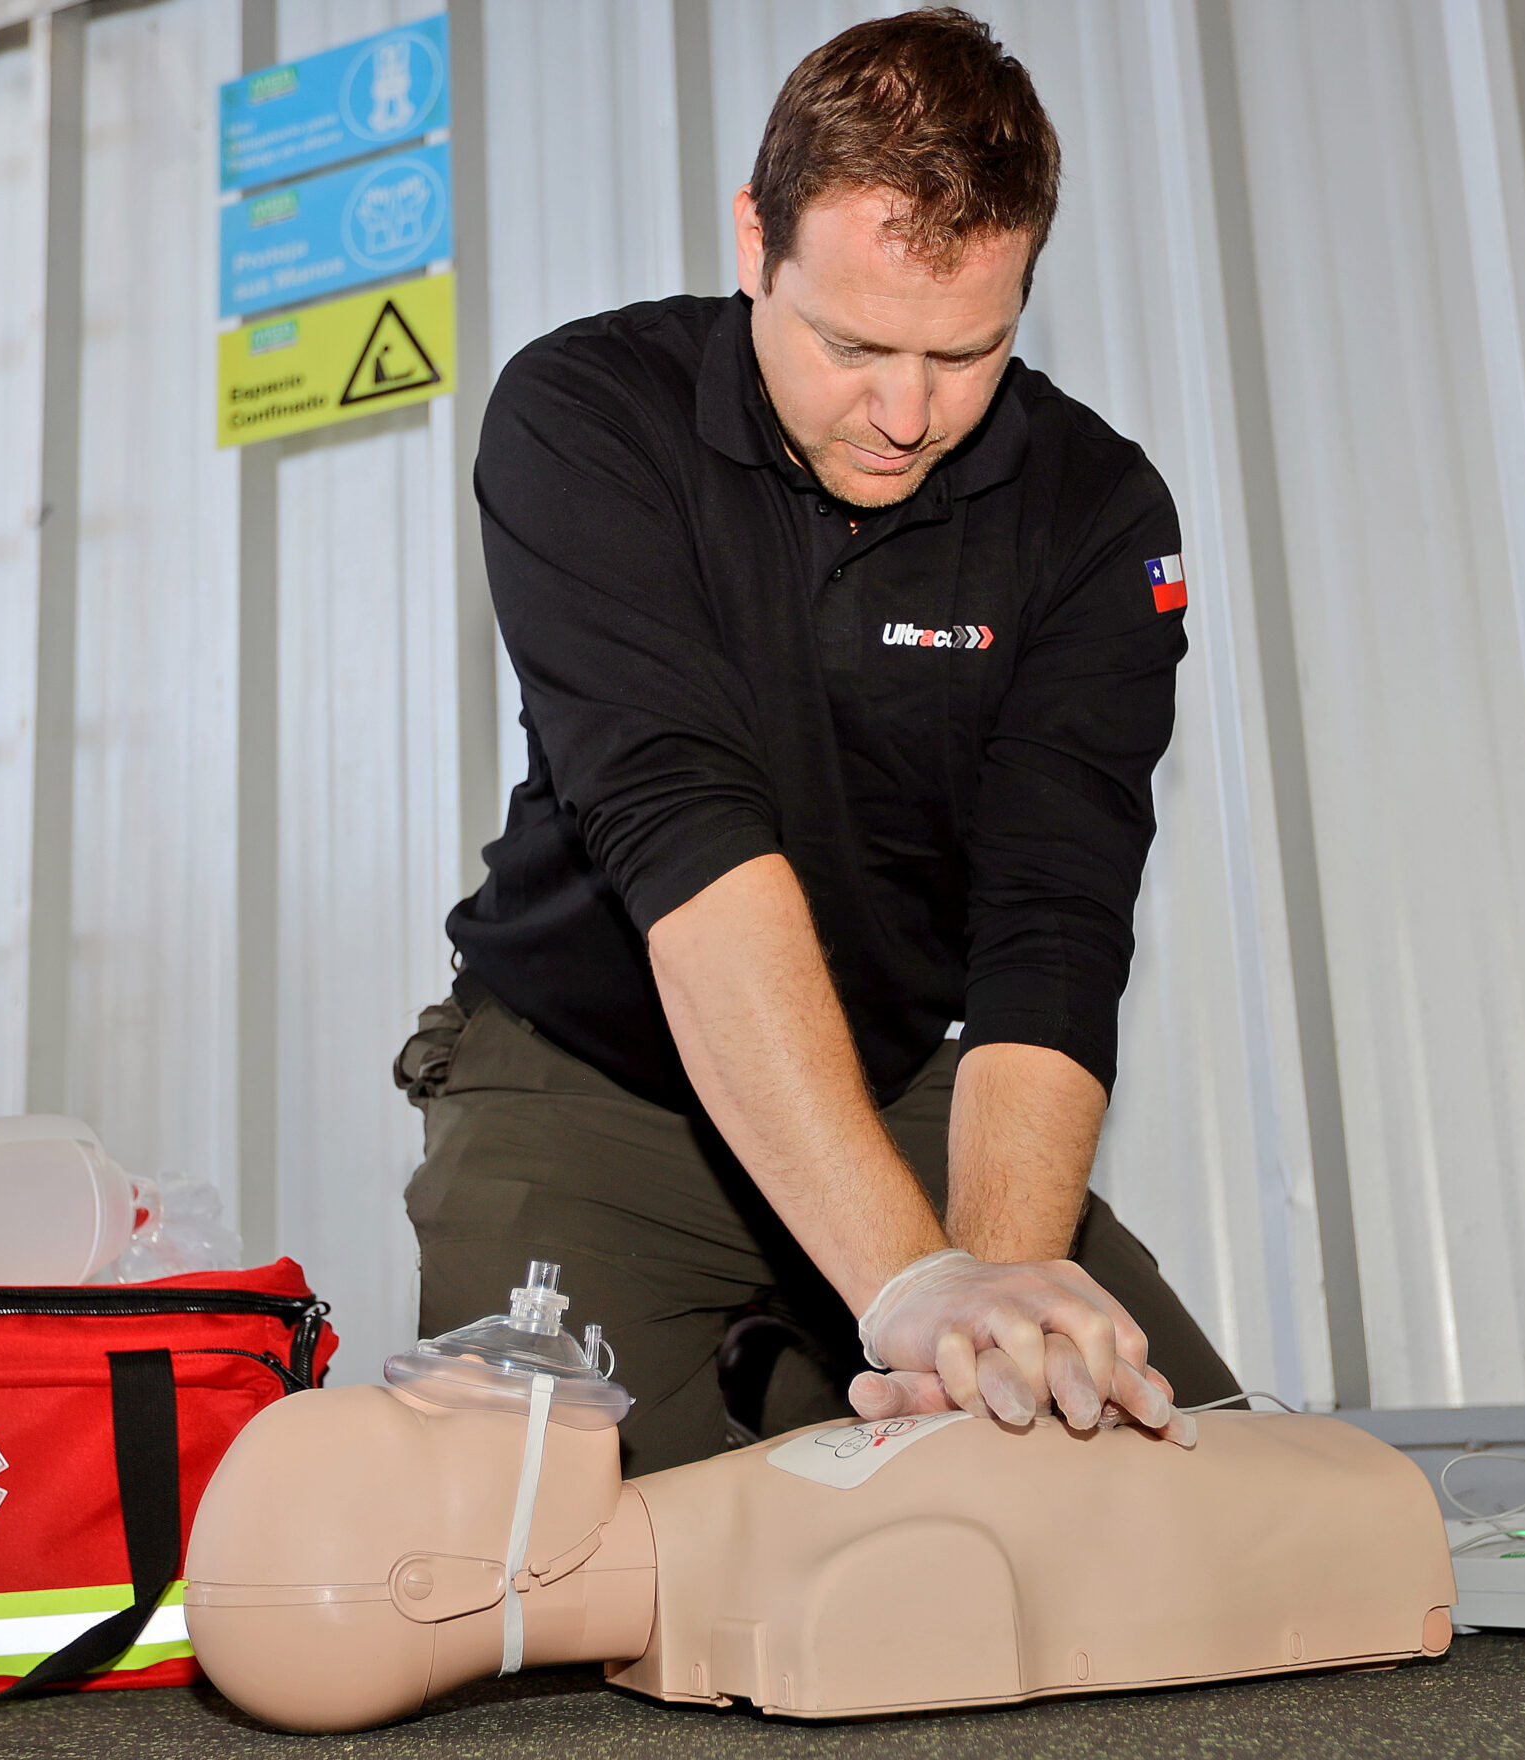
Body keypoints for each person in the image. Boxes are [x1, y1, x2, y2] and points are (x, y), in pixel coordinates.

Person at [399, 7, 1240, 1473]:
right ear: (754, 241)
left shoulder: (1097, 515)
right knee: (545, 1550)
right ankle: (784, 1377)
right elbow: (685, 836)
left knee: (1175, 1487)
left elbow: (1054, 923)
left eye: (967, 351)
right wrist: (909, 1288)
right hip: (591, 1081)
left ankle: (799, 1380)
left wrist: (980, 1309)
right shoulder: (587, 418)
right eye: (853, 343)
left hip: (897, 1082)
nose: (907, 414)